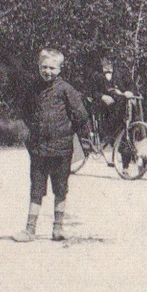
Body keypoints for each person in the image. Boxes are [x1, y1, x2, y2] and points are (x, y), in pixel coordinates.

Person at [18, 49, 92, 242]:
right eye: (44, 67)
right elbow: (25, 110)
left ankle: (57, 228)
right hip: (38, 148)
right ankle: (29, 230)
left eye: (52, 68)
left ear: (59, 69)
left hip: (61, 148)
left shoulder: (66, 89)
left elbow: (81, 115)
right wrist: (33, 129)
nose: (47, 71)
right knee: (36, 187)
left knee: (60, 188)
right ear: (38, 67)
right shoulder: (32, 88)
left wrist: (67, 131)